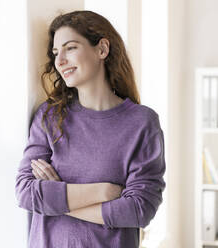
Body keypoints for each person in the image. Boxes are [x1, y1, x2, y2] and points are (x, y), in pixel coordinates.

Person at [15, 10, 166, 248]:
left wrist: (57, 200)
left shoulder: (141, 123)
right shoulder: (49, 116)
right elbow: (25, 193)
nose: (60, 60)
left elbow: (139, 209)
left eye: (70, 47)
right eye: (55, 53)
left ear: (102, 49)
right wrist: (104, 192)